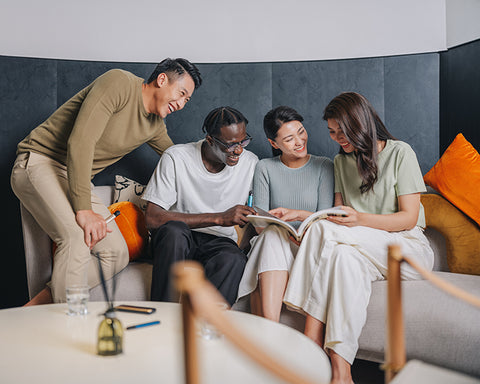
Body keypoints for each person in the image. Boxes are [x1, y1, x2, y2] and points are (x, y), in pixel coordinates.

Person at [11, 58, 202, 305]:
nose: (182, 103)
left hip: (72, 177)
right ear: (162, 79)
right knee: (75, 237)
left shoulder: (155, 126)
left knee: (115, 252)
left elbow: (178, 162)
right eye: (181, 93)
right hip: (39, 162)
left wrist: (218, 167)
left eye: (187, 100)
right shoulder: (119, 83)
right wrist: (84, 210)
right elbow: (80, 142)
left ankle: (38, 306)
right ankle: (68, 328)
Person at [283, 92, 434, 384]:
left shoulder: (400, 152)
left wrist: (359, 219)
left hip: (407, 249)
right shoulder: (341, 162)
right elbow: (339, 215)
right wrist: (302, 215)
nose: (338, 138)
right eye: (331, 132)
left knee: (325, 231)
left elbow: (408, 218)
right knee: (340, 254)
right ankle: (342, 373)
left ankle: (310, 339)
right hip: (358, 248)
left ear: (361, 124)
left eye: (343, 131)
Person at [143, 106, 258, 306]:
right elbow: (152, 218)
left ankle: (206, 330)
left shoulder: (250, 163)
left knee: (234, 259)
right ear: (210, 140)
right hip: (179, 238)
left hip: (219, 242)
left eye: (243, 142)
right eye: (231, 145)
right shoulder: (176, 157)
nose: (239, 150)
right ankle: (164, 315)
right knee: (174, 233)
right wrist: (219, 218)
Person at [236, 106, 334, 321]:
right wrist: (281, 225)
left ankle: (269, 329)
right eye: (289, 139)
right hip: (275, 245)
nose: (299, 141)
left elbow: (325, 218)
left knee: (274, 236)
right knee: (271, 235)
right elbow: (260, 224)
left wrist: (297, 215)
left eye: (301, 132)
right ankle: (273, 328)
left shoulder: (324, 166)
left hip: (310, 245)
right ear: (274, 143)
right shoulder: (264, 168)